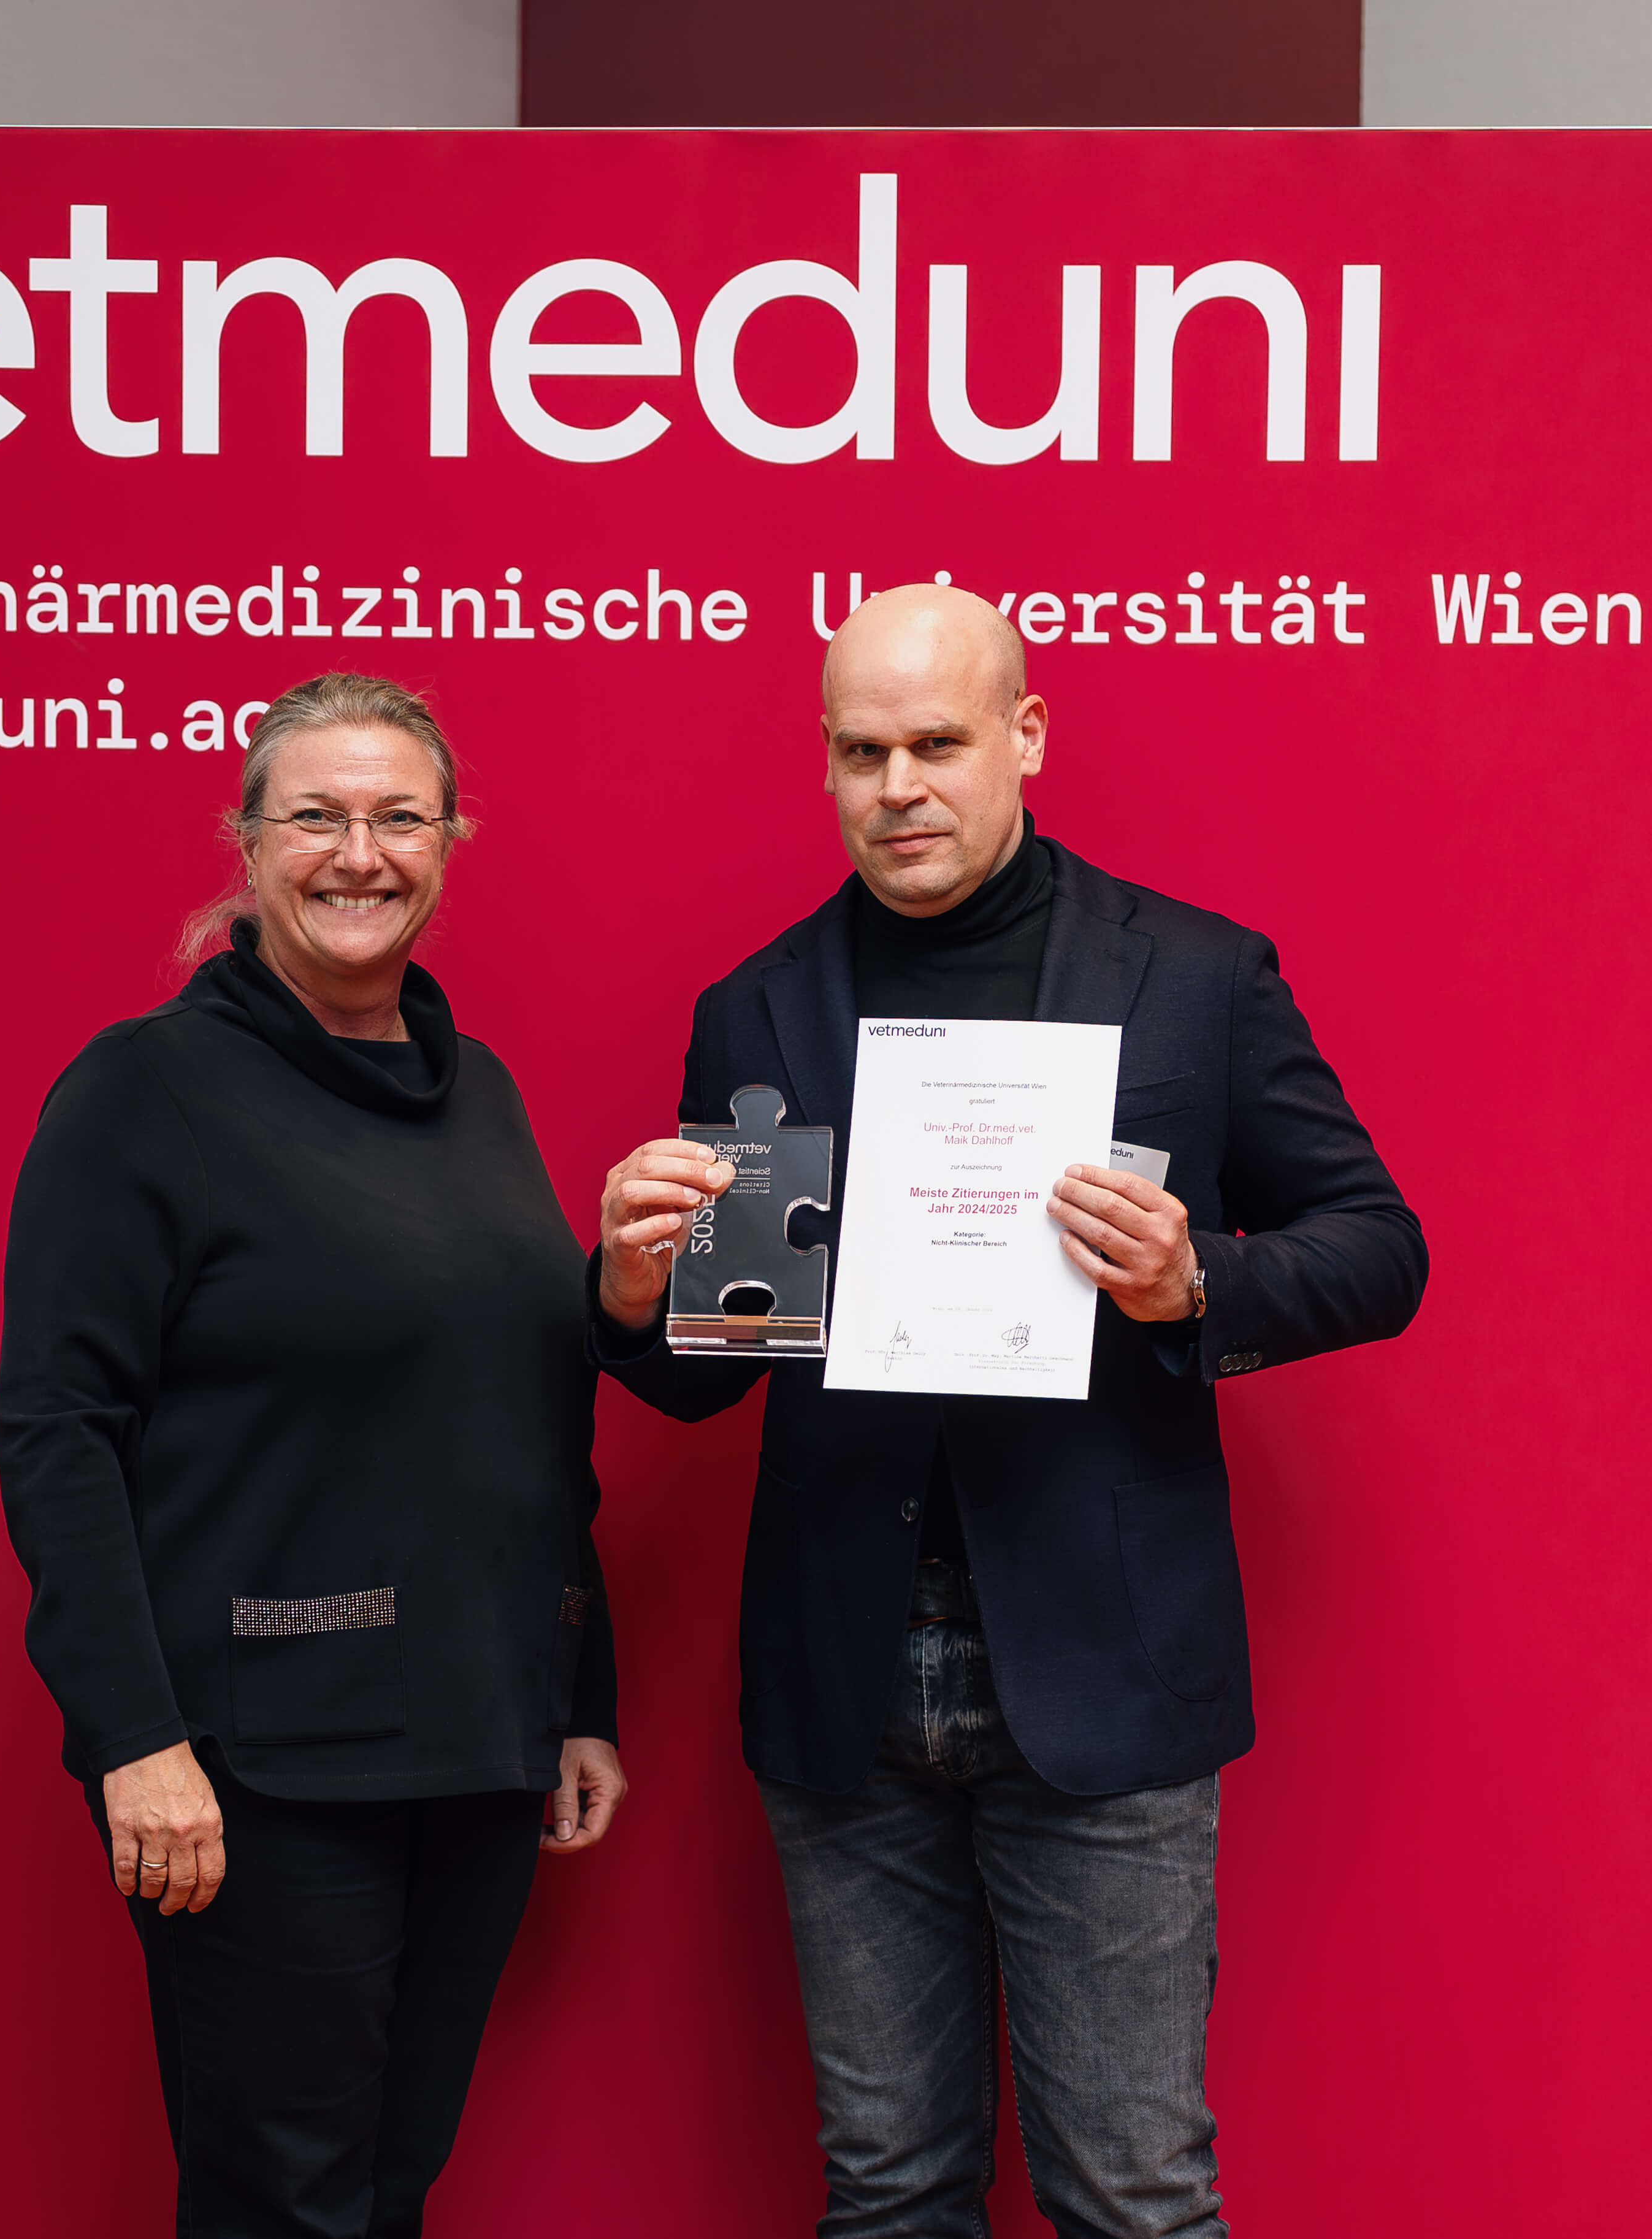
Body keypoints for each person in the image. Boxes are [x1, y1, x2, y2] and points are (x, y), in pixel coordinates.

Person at [594, 586, 1427, 2237]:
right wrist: (630, 1291)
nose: (898, 786)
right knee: (887, 2188)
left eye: (936, 742)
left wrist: (1194, 1282)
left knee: (1131, 2191)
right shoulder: (758, 1006)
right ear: (826, 765)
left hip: (1103, 1661)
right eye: (860, 752)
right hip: (843, 1675)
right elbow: (709, 1359)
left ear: (1025, 737)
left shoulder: (1194, 977)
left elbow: (1379, 1247)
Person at [0, 673, 629, 2238]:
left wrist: (579, 1694)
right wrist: (134, 1737)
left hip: (477, 1737)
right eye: (318, 817)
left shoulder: (478, 1090)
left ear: (450, 841)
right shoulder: (143, 1090)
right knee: (283, 2204)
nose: (361, 852)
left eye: (400, 816)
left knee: (390, 2188)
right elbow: (59, 1430)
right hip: (260, 1766)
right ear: (249, 843)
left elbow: (520, 1408)